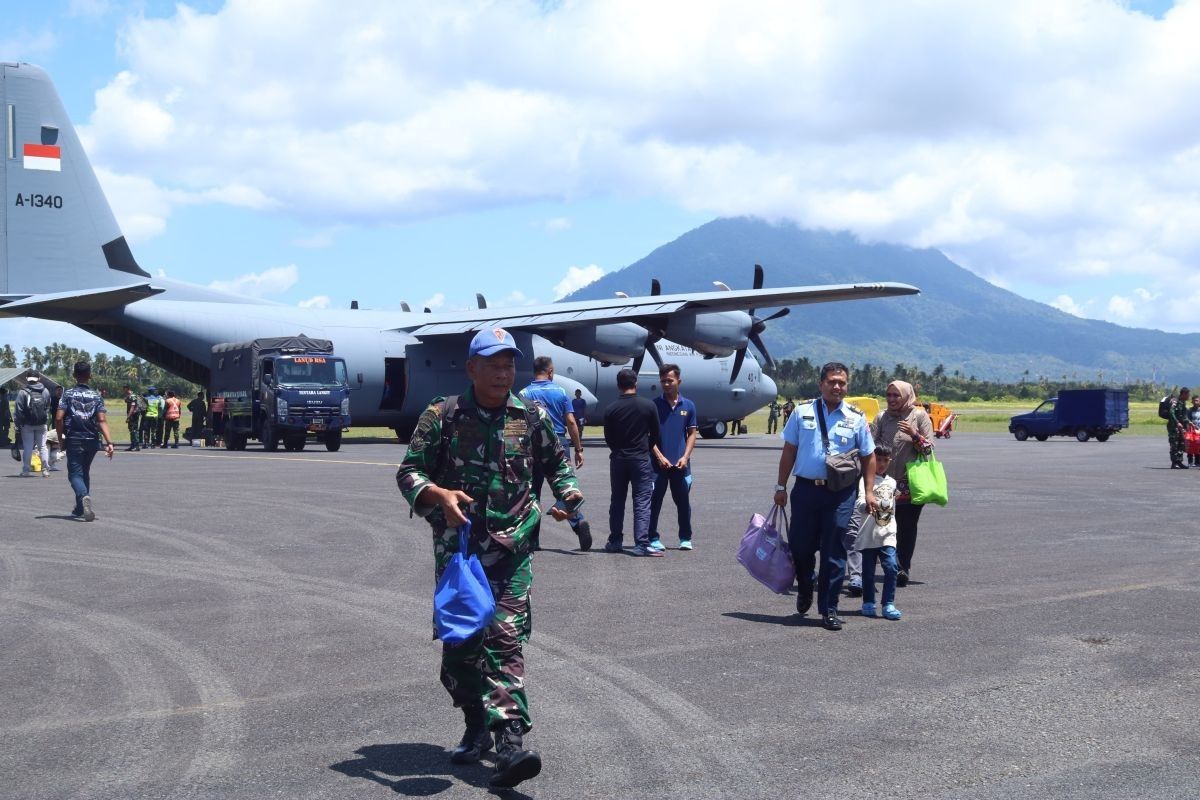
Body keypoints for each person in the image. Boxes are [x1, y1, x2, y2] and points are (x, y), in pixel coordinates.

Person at [396, 328, 581, 790]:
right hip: (460, 554)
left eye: (509, 365)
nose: (503, 373)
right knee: (460, 653)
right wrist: (437, 494)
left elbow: (555, 462)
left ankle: (510, 744)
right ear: (472, 368)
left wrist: (569, 493)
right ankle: (476, 721)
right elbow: (409, 471)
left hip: (513, 547)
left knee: (503, 637)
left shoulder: (531, 415)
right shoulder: (443, 416)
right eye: (493, 364)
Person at [774, 363, 876, 631]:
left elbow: (869, 456)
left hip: (840, 493)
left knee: (834, 550)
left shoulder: (856, 417)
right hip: (806, 489)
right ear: (821, 384)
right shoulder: (801, 412)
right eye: (832, 381)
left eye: (842, 382)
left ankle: (829, 608)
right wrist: (780, 487)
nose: (837, 386)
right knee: (801, 547)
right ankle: (806, 585)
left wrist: (868, 491)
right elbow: (789, 451)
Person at [519, 356, 591, 550]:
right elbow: (571, 422)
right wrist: (578, 448)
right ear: (550, 372)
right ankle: (578, 521)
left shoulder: (524, 393)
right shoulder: (560, 392)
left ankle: (532, 539)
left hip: (533, 444)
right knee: (565, 487)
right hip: (558, 441)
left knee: (532, 492)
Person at [871, 380, 934, 587]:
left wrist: (914, 434)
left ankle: (902, 567)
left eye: (896, 395)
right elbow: (870, 448)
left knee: (906, 528)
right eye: (888, 395)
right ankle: (890, 562)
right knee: (882, 526)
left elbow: (928, 449)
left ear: (907, 396)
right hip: (883, 485)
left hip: (909, 485)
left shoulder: (919, 416)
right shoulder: (881, 418)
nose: (891, 399)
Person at [602, 368, 664, 557]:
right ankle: (641, 543)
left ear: (618, 385)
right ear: (635, 383)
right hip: (640, 458)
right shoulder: (648, 406)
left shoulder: (611, 409)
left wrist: (618, 449)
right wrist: (646, 447)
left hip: (619, 459)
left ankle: (615, 540)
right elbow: (656, 434)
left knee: (617, 500)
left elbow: (608, 438)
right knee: (642, 500)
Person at [55, 361, 115, 521]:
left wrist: (61, 438)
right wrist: (109, 442)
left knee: (74, 474)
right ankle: (80, 508)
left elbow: (59, 418)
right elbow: (102, 420)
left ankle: (83, 496)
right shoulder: (96, 396)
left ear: (74, 376)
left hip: (75, 437)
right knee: (84, 472)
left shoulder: (67, 394)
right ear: (90, 375)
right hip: (92, 439)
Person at [648, 363, 698, 551]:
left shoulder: (689, 406)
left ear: (679, 381)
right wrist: (659, 457)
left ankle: (685, 537)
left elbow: (692, 433)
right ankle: (652, 537)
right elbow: (647, 436)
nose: (666, 384)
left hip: (680, 464)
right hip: (657, 465)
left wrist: (685, 457)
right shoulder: (653, 405)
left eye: (670, 380)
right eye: (663, 381)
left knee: (683, 502)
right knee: (654, 502)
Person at [851, 445, 902, 620]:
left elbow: (892, 506)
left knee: (891, 567)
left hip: (887, 531)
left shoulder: (892, 482)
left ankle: (888, 603)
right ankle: (868, 602)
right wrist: (867, 505)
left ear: (890, 461)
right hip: (869, 533)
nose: (881, 464)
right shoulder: (866, 481)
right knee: (868, 570)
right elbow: (858, 503)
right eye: (877, 459)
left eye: (885, 460)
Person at [15, 373, 51, 477]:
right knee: (42, 447)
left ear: (27, 379)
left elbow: (18, 409)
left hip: (27, 424)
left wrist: (18, 424)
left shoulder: (23, 392)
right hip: (42, 423)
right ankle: (45, 470)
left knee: (28, 447)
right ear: (39, 379)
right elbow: (47, 406)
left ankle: (26, 470)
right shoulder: (45, 391)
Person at [1168, 388, 1192, 469]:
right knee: (1174, 444)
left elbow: (1184, 415)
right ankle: (1174, 463)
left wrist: (1189, 423)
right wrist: (1177, 422)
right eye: (1188, 394)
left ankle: (1179, 461)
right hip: (1174, 427)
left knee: (1181, 444)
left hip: (1181, 427)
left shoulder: (1183, 403)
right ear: (1184, 394)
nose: (1189, 396)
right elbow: (1171, 412)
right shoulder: (1175, 401)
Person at [123, 386, 144, 451]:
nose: (123, 391)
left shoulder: (133, 396)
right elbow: (125, 400)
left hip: (133, 415)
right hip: (133, 415)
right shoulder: (130, 396)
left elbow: (132, 407)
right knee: (132, 430)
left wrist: (128, 416)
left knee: (134, 430)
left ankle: (136, 445)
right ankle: (133, 445)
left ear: (127, 389)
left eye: (124, 389)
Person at [1189, 397, 1200, 467]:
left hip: (1199, 431)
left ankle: (1197, 462)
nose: (1196, 402)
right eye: (1194, 400)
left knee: (1198, 446)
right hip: (1191, 430)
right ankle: (1190, 461)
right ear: (1192, 402)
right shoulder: (1189, 410)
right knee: (1190, 446)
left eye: (1197, 400)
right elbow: (1187, 419)